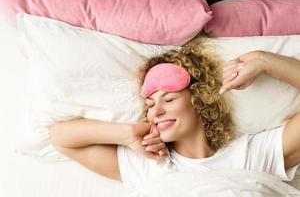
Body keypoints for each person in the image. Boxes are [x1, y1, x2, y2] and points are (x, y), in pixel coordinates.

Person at [49, 40, 300, 189]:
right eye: (149, 104)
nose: (155, 111)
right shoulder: (146, 165)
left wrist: (263, 60)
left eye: (168, 99)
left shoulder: (251, 154)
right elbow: (61, 136)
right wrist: (128, 134)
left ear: (200, 100)